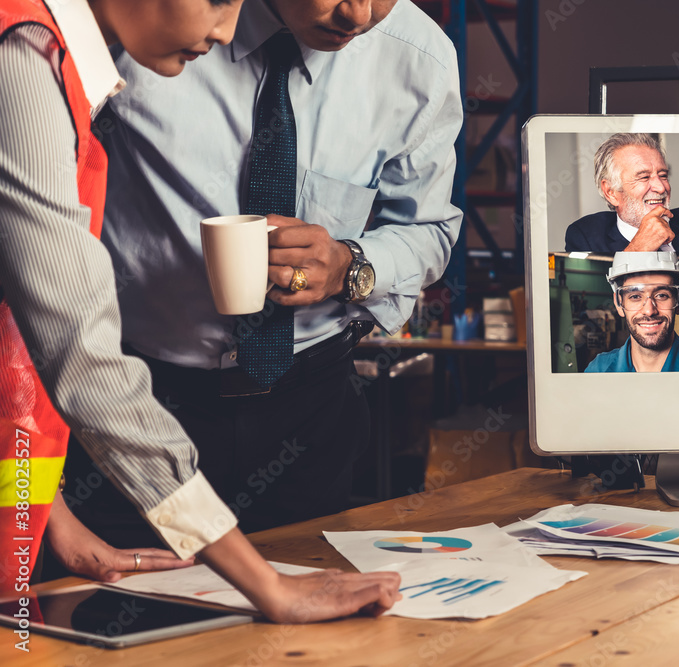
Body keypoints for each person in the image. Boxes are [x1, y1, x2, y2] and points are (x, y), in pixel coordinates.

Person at [0, 0, 400, 620]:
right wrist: (266, 585)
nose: (225, 29)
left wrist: (51, 516)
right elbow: (81, 353)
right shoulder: (22, 58)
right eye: (215, 1)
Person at [59, 0, 463, 550]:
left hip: (311, 410)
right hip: (137, 396)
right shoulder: (147, 25)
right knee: (126, 613)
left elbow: (429, 230)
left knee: (311, 612)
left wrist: (351, 264)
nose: (360, 14)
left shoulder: (419, 58)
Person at [565, 133, 679, 253]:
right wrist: (638, 248)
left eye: (663, 175)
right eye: (644, 177)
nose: (661, 188)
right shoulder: (584, 236)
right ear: (611, 192)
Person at [586, 252, 679, 373]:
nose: (649, 311)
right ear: (619, 304)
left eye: (661, 295)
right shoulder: (598, 370)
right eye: (635, 296)